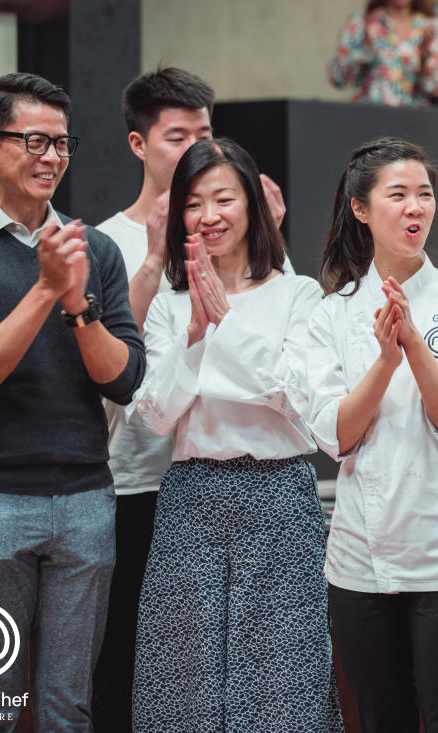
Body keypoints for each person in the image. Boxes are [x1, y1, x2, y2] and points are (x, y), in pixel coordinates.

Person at [0, 72, 145, 730]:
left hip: (84, 499)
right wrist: (46, 289)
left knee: (68, 707)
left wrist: (79, 306)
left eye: (62, 143)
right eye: (34, 141)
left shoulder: (92, 249)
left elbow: (125, 378)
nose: (51, 158)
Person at [92, 67, 294, 732]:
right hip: (141, 484)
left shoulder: (286, 284)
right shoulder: (113, 245)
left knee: (268, 685)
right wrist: (182, 311)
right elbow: (130, 386)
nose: (193, 150)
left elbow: (296, 389)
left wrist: (221, 334)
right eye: (177, 136)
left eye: (204, 134)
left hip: (253, 490)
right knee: (155, 674)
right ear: (139, 144)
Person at [130, 138, 343, 732]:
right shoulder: (171, 305)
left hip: (278, 495)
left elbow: (296, 401)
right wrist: (196, 335)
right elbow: (154, 415)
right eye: (194, 204)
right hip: (190, 499)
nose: (209, 216)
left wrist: (224, 326)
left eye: (223, 198)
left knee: (280, 677)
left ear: (252, 203)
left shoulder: (297, 293)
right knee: (183, 679)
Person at [308, 137, 438, 732]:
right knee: (379, 720)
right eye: (398, 195)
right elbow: (334, 435)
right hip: (361, 560)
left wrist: (413, 346)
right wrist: (384, 364)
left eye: (424, 195)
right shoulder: (331, 313)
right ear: (362, 210)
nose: (415, 208)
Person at [330, 0, 438, 107]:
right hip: (368, 118)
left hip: (413, 121)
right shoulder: (360, 22)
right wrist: (366, 47)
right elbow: (338, 79)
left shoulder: (433, 27)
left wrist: (426, 57)